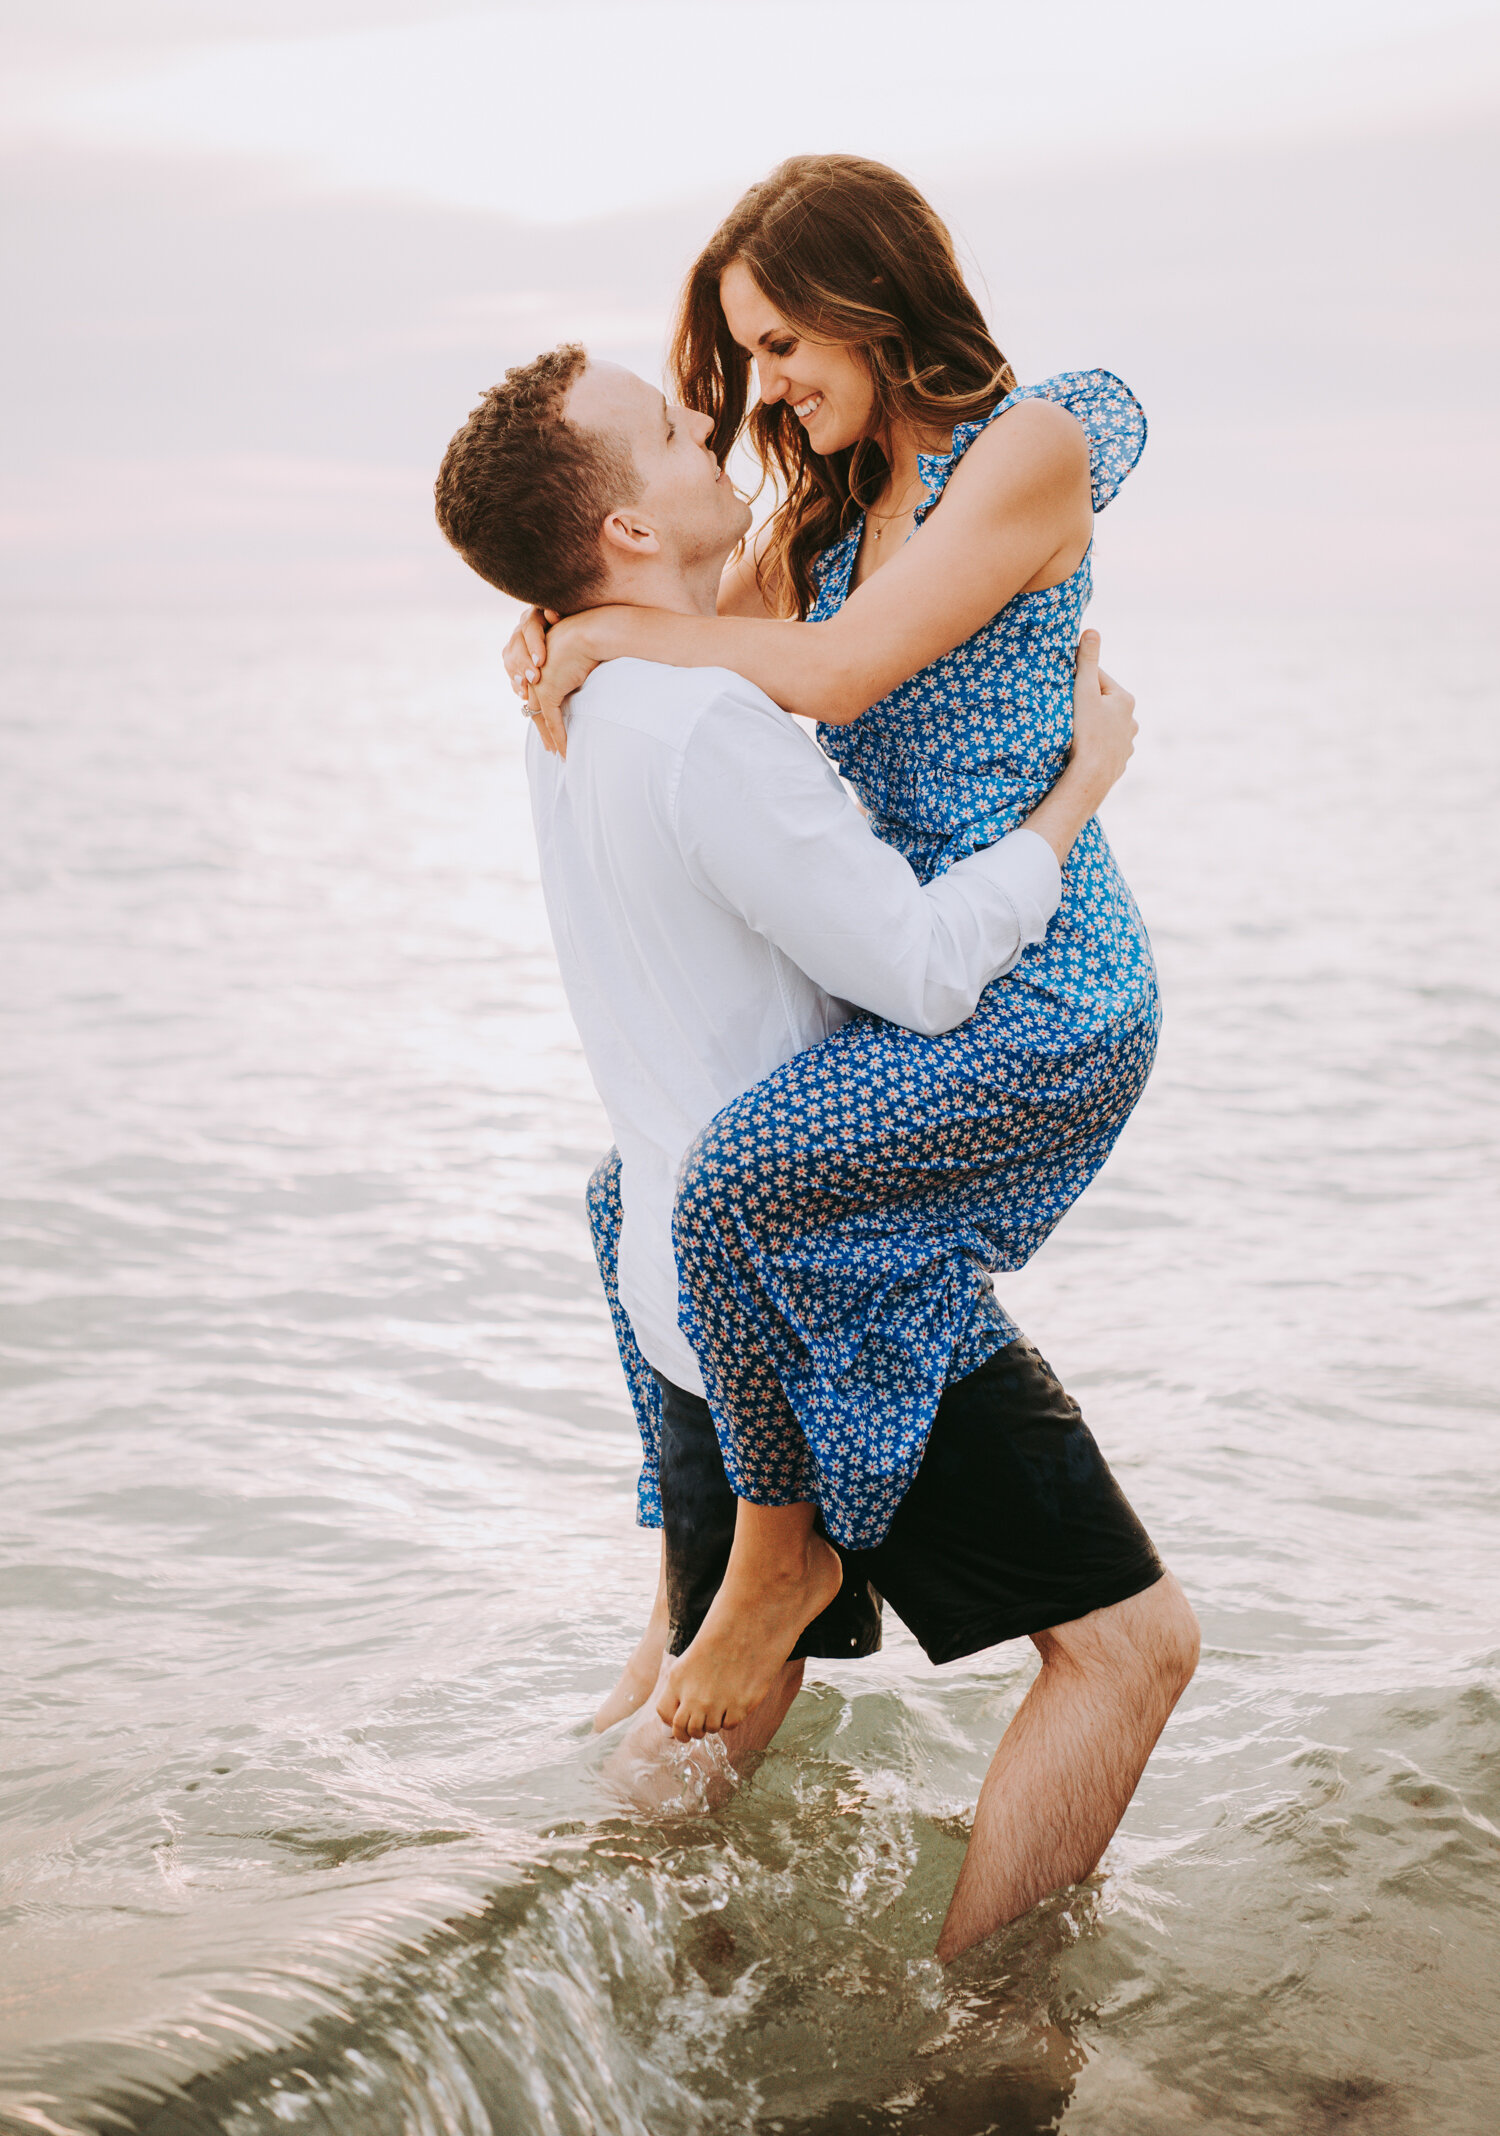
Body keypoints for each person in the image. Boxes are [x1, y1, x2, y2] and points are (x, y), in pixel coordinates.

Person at [434, 339, 1199, 1961]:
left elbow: (810, 651)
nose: (713, 419)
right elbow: (923, 967)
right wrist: (1076, 793)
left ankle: (528, 1977)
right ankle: (988, 2043)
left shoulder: (577, 705)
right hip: (806, 1283)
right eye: (669, 426)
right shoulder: (703, 724)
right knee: (1133, 1650)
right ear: (630, 530)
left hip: (678, 1272)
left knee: (701, 1715)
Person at [504, 156, 1164, 1744]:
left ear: (880, 300)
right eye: (749, 359)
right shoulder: (815, 511)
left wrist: (610, 631)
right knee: (635, 1190)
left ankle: (782, 1569)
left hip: (1031, 981)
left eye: (788, 345)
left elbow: (841, 673)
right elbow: (676, 601)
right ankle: (690, 1583)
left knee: (732, 1185)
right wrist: (564, 611)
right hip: (907, 964)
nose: (770, 392)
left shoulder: (1039, 442)